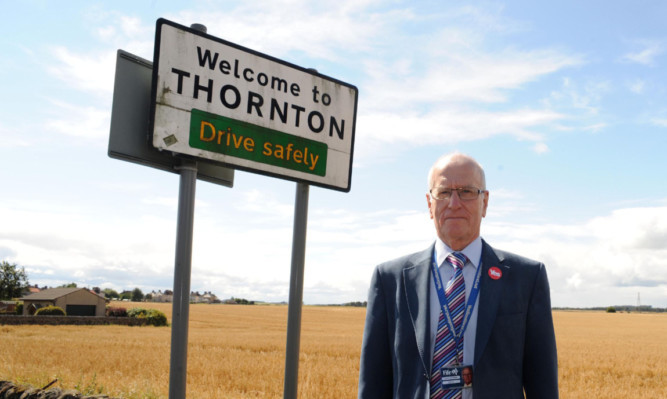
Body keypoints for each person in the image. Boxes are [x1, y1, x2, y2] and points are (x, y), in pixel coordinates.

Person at [358, 152, 558, 399]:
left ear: (485, 202)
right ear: (429, 204)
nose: (454, 203)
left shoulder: (526, 278)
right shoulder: (390, 279)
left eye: (466, 192)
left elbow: (543, 385)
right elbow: (373, 384)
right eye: (443, 193)